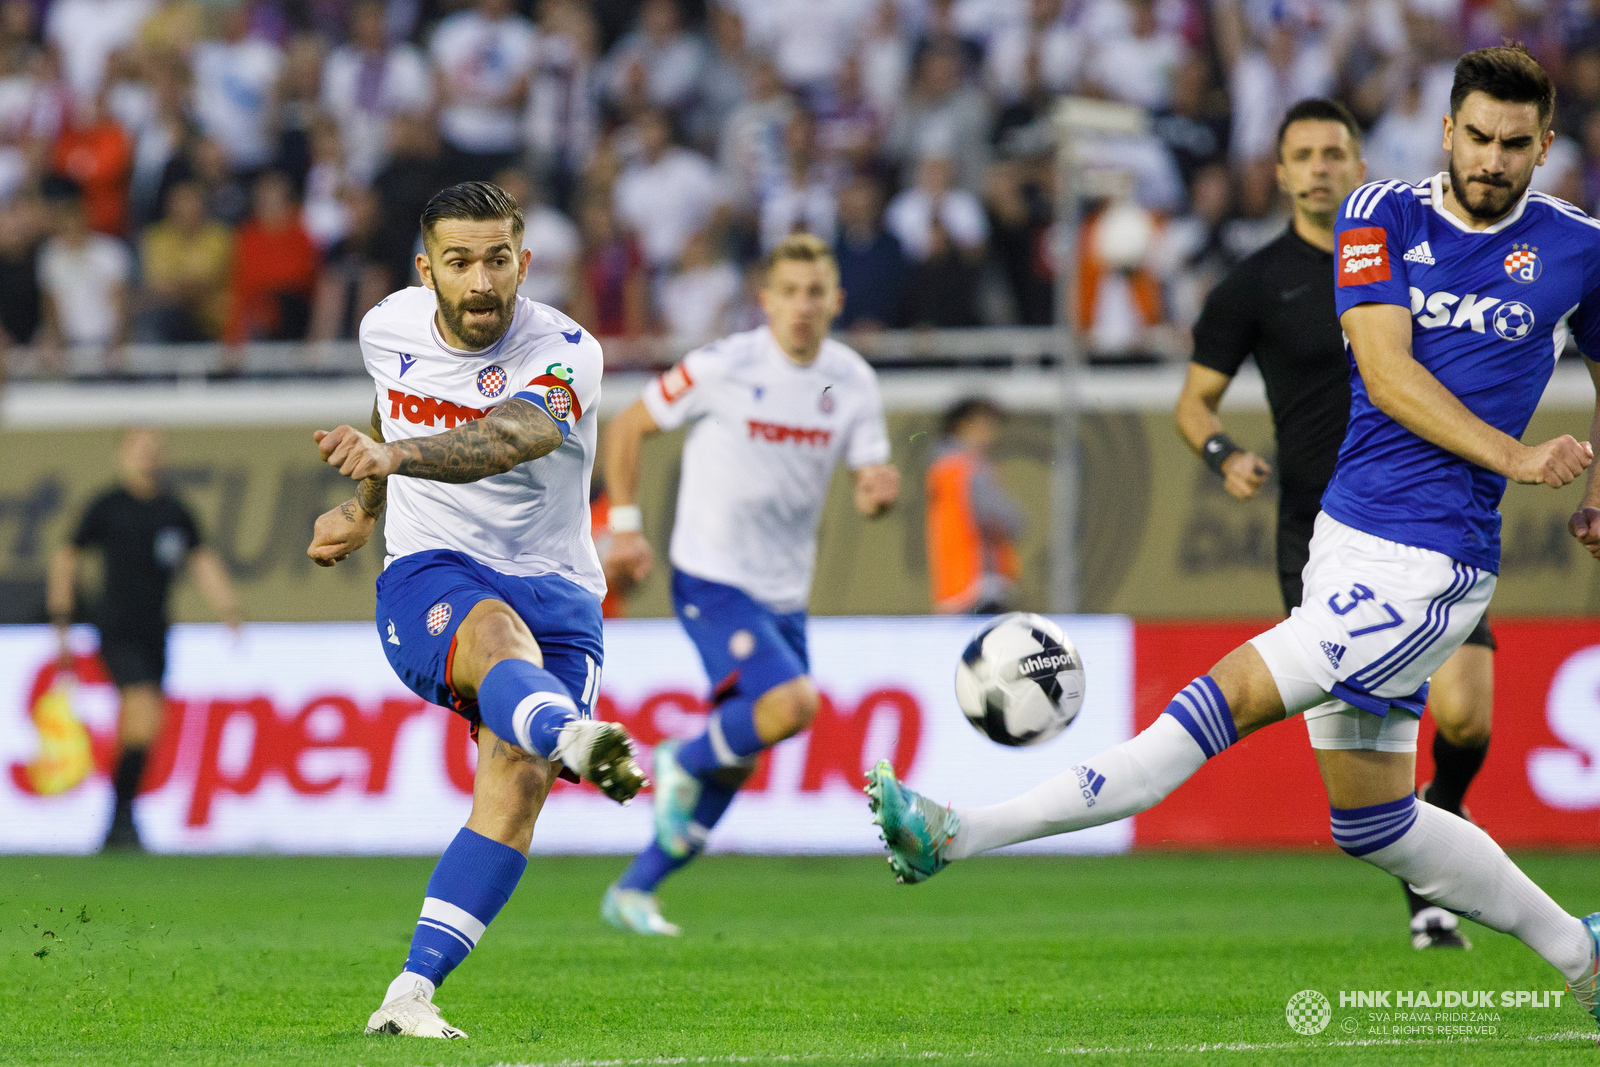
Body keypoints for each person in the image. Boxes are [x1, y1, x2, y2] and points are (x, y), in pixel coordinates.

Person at [869, 45, 1600, 1031]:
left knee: (1203, 709)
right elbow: (1383, 375)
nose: (1491, 158)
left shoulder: (1577, 248)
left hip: (1431, 566)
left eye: (1515, 145)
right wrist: (1516, 455)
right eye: (1476, 136)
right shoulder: (1377, 214)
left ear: (1543, 146)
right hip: (1341, 539)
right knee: (1373, 821)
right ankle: (1582, 952)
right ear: (1446, 131)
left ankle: (956, 831)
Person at [305, 181, 647, 1040]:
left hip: (560, 586)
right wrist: (364, 508)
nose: (483, 281)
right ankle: (567, 730)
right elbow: (390, 403)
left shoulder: (569, 350)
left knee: (517, 783)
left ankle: (409, 993)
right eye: (460, 263)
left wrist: (390, 455)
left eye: (499, 260)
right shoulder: (385, 326)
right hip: (433, 570)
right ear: (428, 271)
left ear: (524, 262)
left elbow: (513, 437)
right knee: (497, 637)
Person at [1173, 97, 1501, 952]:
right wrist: (1222, 454)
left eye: (1334, 152)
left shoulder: (1409, 258)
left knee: (1467, 719)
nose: (1320, 166)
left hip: (1430, 528)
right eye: (1303, 155)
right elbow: (1193, 400)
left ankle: (1448, 804)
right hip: (1324, 537)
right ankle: (1427, 898)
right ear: (1279, 174)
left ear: (1360, 166)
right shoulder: (1253, 284)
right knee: (1374, 739)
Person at [599, 232, 899, 936]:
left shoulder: (851, 379)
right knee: (793, 704)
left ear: (836, 300)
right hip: (711, 574)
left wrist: (877, 494)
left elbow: (870, 484)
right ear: (765, 300)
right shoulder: (723, 364)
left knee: (741, 755)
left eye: (814, 292)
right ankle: (679, 754)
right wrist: (626, 527)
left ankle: (635, 889)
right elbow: (627, 426)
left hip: (784, 591)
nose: (801, 305)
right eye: (788, 291)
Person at [46, 427, 241, 851]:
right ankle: (120, 820)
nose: (149, 457)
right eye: (140, 450)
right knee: (140, 712)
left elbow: (201, 559)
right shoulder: (107, 506)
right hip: (116, 628)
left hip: (157, 631)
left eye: (155, 450)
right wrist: (61, 619)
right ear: (123, 457)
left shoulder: (174, 512)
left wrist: (227, 609)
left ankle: (121, 819)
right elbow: (68, 556)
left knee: (147, 727)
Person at [926, 397, 1022, 614]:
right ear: (964, 426)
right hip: (981, 583)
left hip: (953, 584)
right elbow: (998, 515)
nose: (991, 434)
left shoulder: (941, 466)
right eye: (985, 426)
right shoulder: (968, 467)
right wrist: (1016, 518)